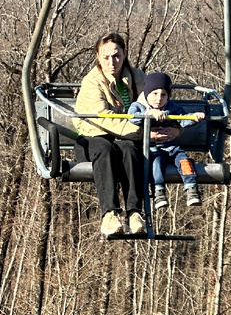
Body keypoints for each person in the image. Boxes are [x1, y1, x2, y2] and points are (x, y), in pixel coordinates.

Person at [71, 33, 181, 237]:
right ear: (97, 56)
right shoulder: (92, 83)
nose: (112, 62)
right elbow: (105, 119)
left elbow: (160, 104)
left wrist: (176, 128)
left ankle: (134, 212)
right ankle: (109, 214)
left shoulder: (137, 77)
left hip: (125, 139)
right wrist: (144, 134)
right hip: (91, 138)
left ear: (124, 54)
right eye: (106, 57)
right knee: (106, 150)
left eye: (116, 56)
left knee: (130, 150)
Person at [128, 72, 206, 210]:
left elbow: (182, 118)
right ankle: (159, 191)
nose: (159, 99)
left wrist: (193, 118)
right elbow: (132, 118)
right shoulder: (138, 106)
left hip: (171, 147)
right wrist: (149, 114)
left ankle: (191, 188)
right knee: (156, 163)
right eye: (155, 94)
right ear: (147, 94)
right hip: (152, 149)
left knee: (184, 160)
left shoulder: (171, 107)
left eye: (163, 94)